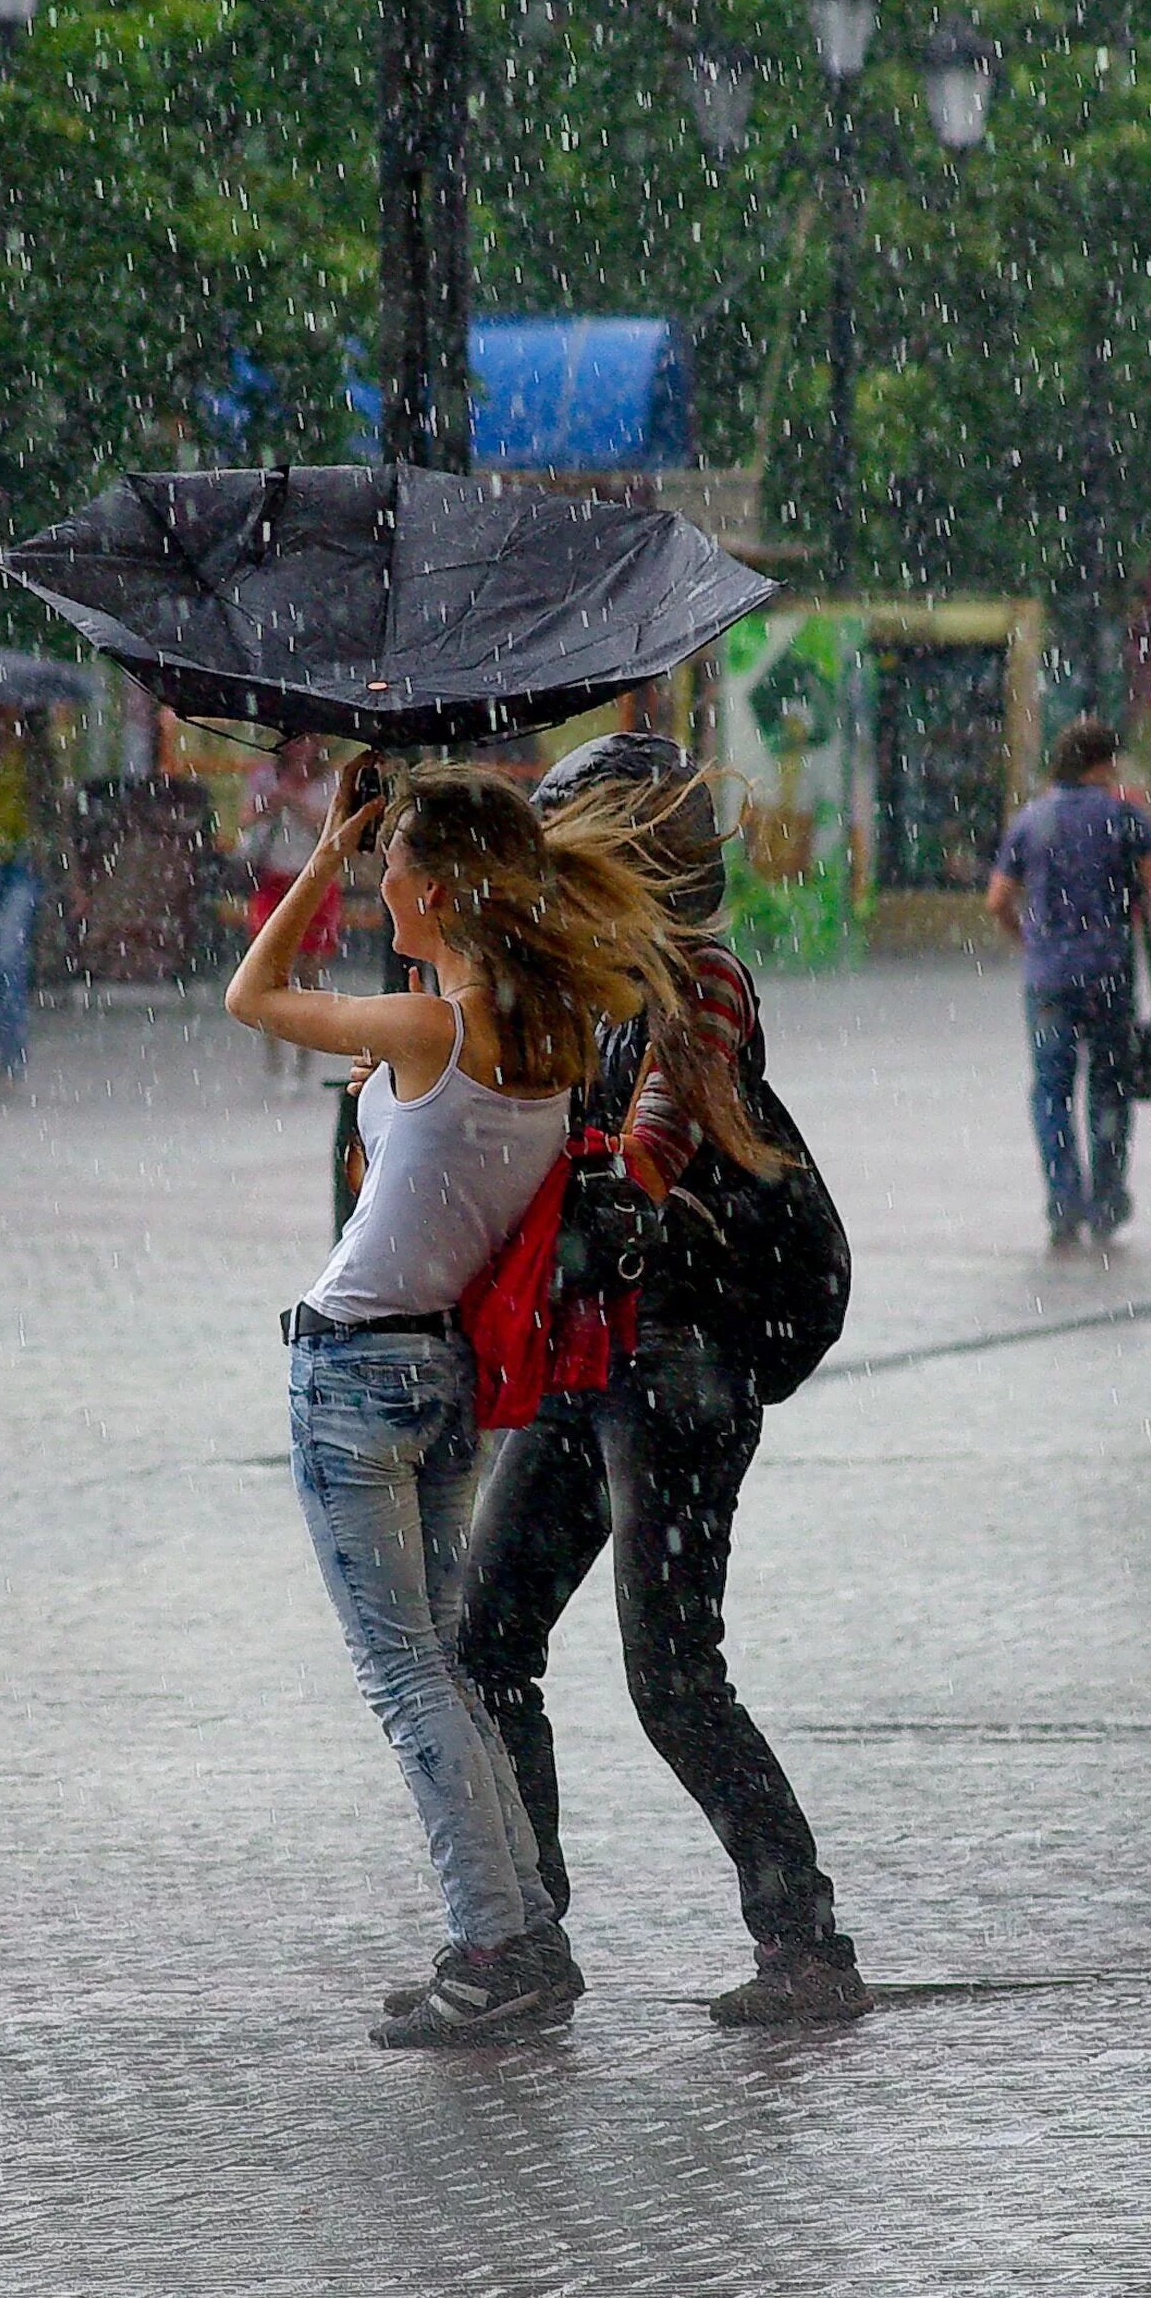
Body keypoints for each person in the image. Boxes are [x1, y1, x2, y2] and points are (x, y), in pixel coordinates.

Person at [228, 753, 702, 2048]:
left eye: (389, 871)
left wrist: (315, 855)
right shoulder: (543, 1036)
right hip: (443, 1374)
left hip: (354, 1366)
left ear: (435, 888)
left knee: (404, 1676)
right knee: (444, 1665)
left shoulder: (435, 1031)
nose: (378, 886)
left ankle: (494, 1941)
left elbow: (249, 993)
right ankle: (522, 1931)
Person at [456, 731, 871, 2030]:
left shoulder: (700, 984)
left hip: (678, 1376)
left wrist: (618, 1191)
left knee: (674, 1673)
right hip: (593, 1368)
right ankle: (525, 1934)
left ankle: (806, 1942)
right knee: (487, 1640)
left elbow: (664, 1126)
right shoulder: (576, 985)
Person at [986, 717, 1151, 1249]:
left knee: (1052, 1091)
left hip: (1048, 976)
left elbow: (996, 899)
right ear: (1103, 763)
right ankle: (1106, 1202)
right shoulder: (1125, 819)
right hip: (1108, 971)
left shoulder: (1031, 821)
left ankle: (1063, 1204)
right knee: (1109, 1087)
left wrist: (1029, 939)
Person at [0, 707, 59, 1094]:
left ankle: (12, 1057)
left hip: (22, 866)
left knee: (10, 960)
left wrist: (66, 876)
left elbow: (57, 814)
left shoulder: (37, 760)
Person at [237, 735, 342, 1072]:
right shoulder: (264, 778)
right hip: (273, 878)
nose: (300, 750)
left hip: (313, 879)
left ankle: (304, 1053)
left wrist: (295, 803)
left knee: (309, 969)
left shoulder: (329, 782)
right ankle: (273, 1051)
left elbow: (332, 830)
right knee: (268, 965)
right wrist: (269, 804)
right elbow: (244, 819)